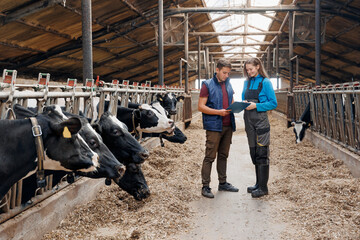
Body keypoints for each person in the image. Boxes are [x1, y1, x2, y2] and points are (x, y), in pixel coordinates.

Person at [198, 58, 238, 198]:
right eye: (224, 73)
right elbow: (201, 106)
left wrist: (236, 106)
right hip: (214, 125)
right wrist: (218, 112)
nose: (227, 76)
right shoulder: (207, 85)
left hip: (228, 125)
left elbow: (231, 101)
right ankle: (205, 186)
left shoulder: (228, 84)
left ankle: (223, 183)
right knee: (210, 156)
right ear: (217, 70)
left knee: (223, 155)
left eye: (228, 73)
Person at [242, 57, 277, 198]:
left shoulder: (266, 82)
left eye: (251, 69)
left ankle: (263, 187)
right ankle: (257, 183)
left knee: (262, 153)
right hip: (248, 121)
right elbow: (244, 96)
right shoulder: (247, 82)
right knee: (254, 152)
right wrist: (243, 102)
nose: (249, 72)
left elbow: (273, 103)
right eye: (247, 70)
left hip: (261, 121)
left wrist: (256, 105)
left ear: (257, 67)